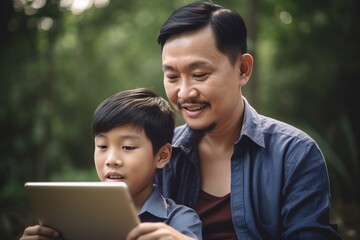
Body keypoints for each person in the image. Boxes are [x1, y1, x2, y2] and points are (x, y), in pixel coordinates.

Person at [154, 1, 342, 240]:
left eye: (199, 75)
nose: (183, 93)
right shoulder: (159, 153)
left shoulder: (294, 154)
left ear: (242, 69)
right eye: (172, 77)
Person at [20, 88, 202, 240]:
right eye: (102, 146)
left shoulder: (179, 222)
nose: (111, 159)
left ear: (162, 156)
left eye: (128, 147)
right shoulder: (72, 217)